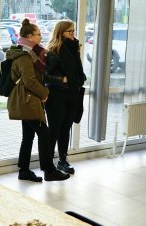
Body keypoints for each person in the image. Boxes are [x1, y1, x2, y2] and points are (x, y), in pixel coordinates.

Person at [6, 19, 70, 182]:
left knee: (28, 136)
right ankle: (49, 170)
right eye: (38, 34)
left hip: (25, 100)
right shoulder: (25, 55)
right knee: (44, 133)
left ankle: (24, 170)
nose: (41, 36)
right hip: (28, 100)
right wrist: (45, 93)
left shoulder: (29, 52)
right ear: (29, 36)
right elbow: (30, 81)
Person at [44, 19, 87, 174]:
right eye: (70, 31)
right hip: (56, 96)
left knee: (66, 129)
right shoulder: (53, 50)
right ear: (60, 33)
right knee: (54, 130)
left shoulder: (74, 49)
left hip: (72, 94)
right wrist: (61, 79)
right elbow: (45, 76)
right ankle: (48, 164)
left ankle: (63, 160)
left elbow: (77, 71)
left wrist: (80, 77)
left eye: (73, 31)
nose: (73, 34)